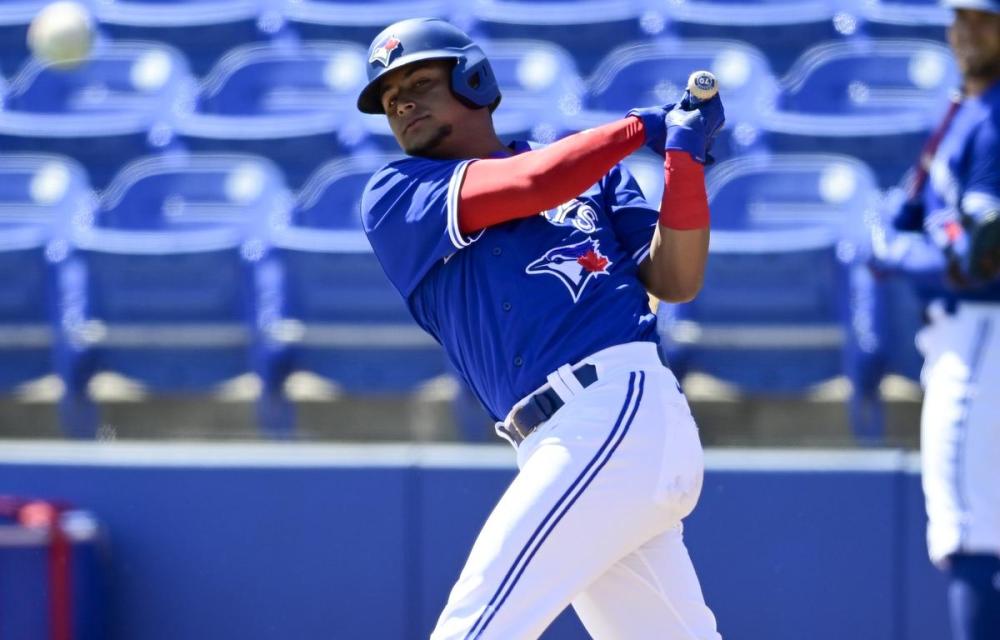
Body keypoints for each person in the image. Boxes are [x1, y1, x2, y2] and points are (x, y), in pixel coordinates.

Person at [357, 17, 723, 640]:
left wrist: (684, 162)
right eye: (391, 101)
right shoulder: (396, 193)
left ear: (474, 81)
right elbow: (533, 184)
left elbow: (675, 279)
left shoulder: (593, 172)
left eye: (420, 81)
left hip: (612, 409)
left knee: (475, 627)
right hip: (567, 441)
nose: (405, 104)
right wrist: (640, 128)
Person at [870, 2, 1000, 638]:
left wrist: (898, 250)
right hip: (966, 333)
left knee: (970, 531)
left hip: (983, 333)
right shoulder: (965, 109)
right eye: (962, 17)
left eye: (986, 19)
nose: (968, 30)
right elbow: (915, 219)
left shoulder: (995, 121)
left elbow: (980, 257)